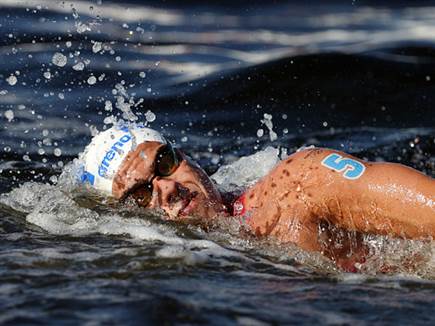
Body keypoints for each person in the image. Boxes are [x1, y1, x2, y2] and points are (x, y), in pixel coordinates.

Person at [79, 125, 435, 271]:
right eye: (141, 195)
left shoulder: (301, 184)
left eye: (165, 162)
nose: (168, 188)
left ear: (185, 154)